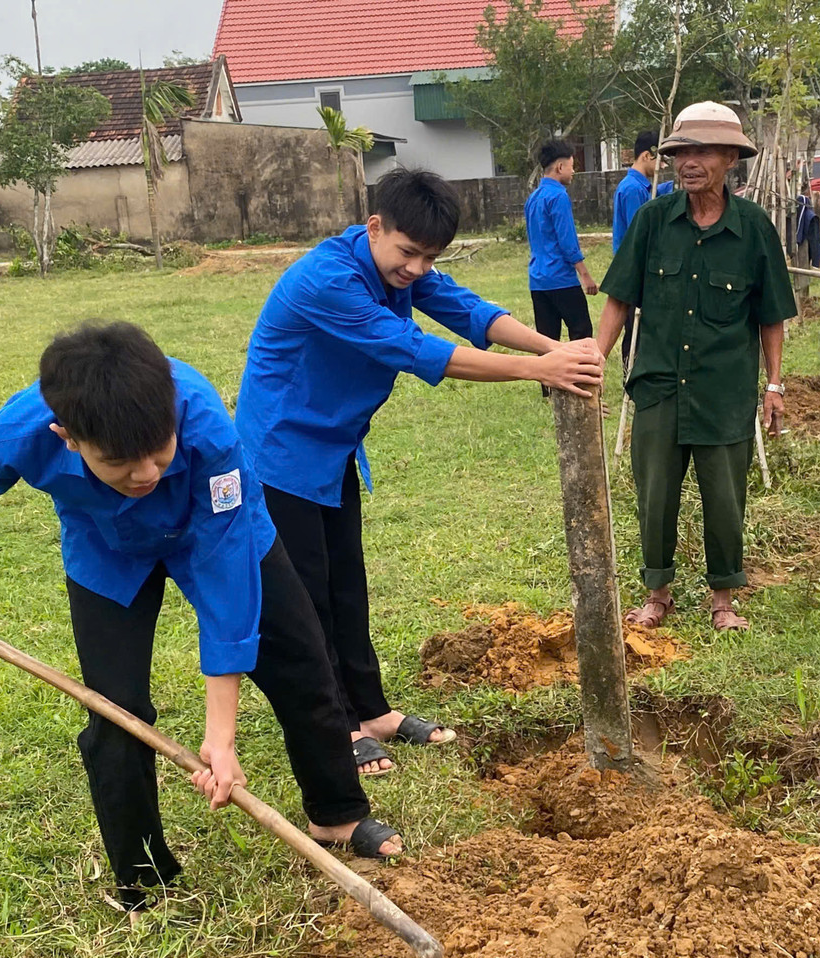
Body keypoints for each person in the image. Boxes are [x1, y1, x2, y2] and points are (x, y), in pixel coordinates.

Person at [0, 323, 400, 917]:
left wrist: (221, 736)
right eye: (119, 463)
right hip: (106, 553)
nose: (145, 475)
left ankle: (337, 815)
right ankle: (142, 873)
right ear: (68, 439)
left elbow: (226, 577)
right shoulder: (25, 429)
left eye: (158, 452)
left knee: (302, 665)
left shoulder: (203, 424)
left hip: (217, 533)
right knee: (117, 712)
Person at [236, 168, 604, 776]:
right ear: (374, 227)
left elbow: (467, 310)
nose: (416, 269)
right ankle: (338, 725)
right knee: (309, 599)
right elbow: (416, 351)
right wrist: (538, 371)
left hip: (334, 450)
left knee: (347, 586)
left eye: (429, 257)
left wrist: (548, 346)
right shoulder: (329, 280)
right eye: (408, 253)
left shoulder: (403, 269)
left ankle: (372, 709)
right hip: (281, 455)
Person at [594, 101, 798, 633]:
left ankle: (723, 600)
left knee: (726, 498)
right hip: (659, 386)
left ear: (731, 157)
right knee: (654, 494)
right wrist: (593, 361)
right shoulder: (652, 221)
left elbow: (771, 315)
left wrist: (774, 383)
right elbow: (618, 297)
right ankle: (657, 594)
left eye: (702, 151)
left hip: (725, 391)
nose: (688, 162)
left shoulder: (754, 229)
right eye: (681, 151)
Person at [526, 139, 599, 356]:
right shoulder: (558, 196)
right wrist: (585, 276)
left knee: (546, 341)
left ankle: (550, 389)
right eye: (571, 165)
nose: (573, 171)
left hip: (538, 279)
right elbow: (567, 242)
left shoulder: (533, 198)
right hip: (560, 278)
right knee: (582, 332)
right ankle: (580, 386)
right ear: (560, 167)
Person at [612, 130, 662, 372]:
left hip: (638, 267)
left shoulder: (641, 187)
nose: (662, 166)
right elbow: (638, 233)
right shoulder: (633, 189)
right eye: (659, 159)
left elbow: (656, 196)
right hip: (634, 268)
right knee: (634, 328)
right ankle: (629, 374)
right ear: (646, 155)